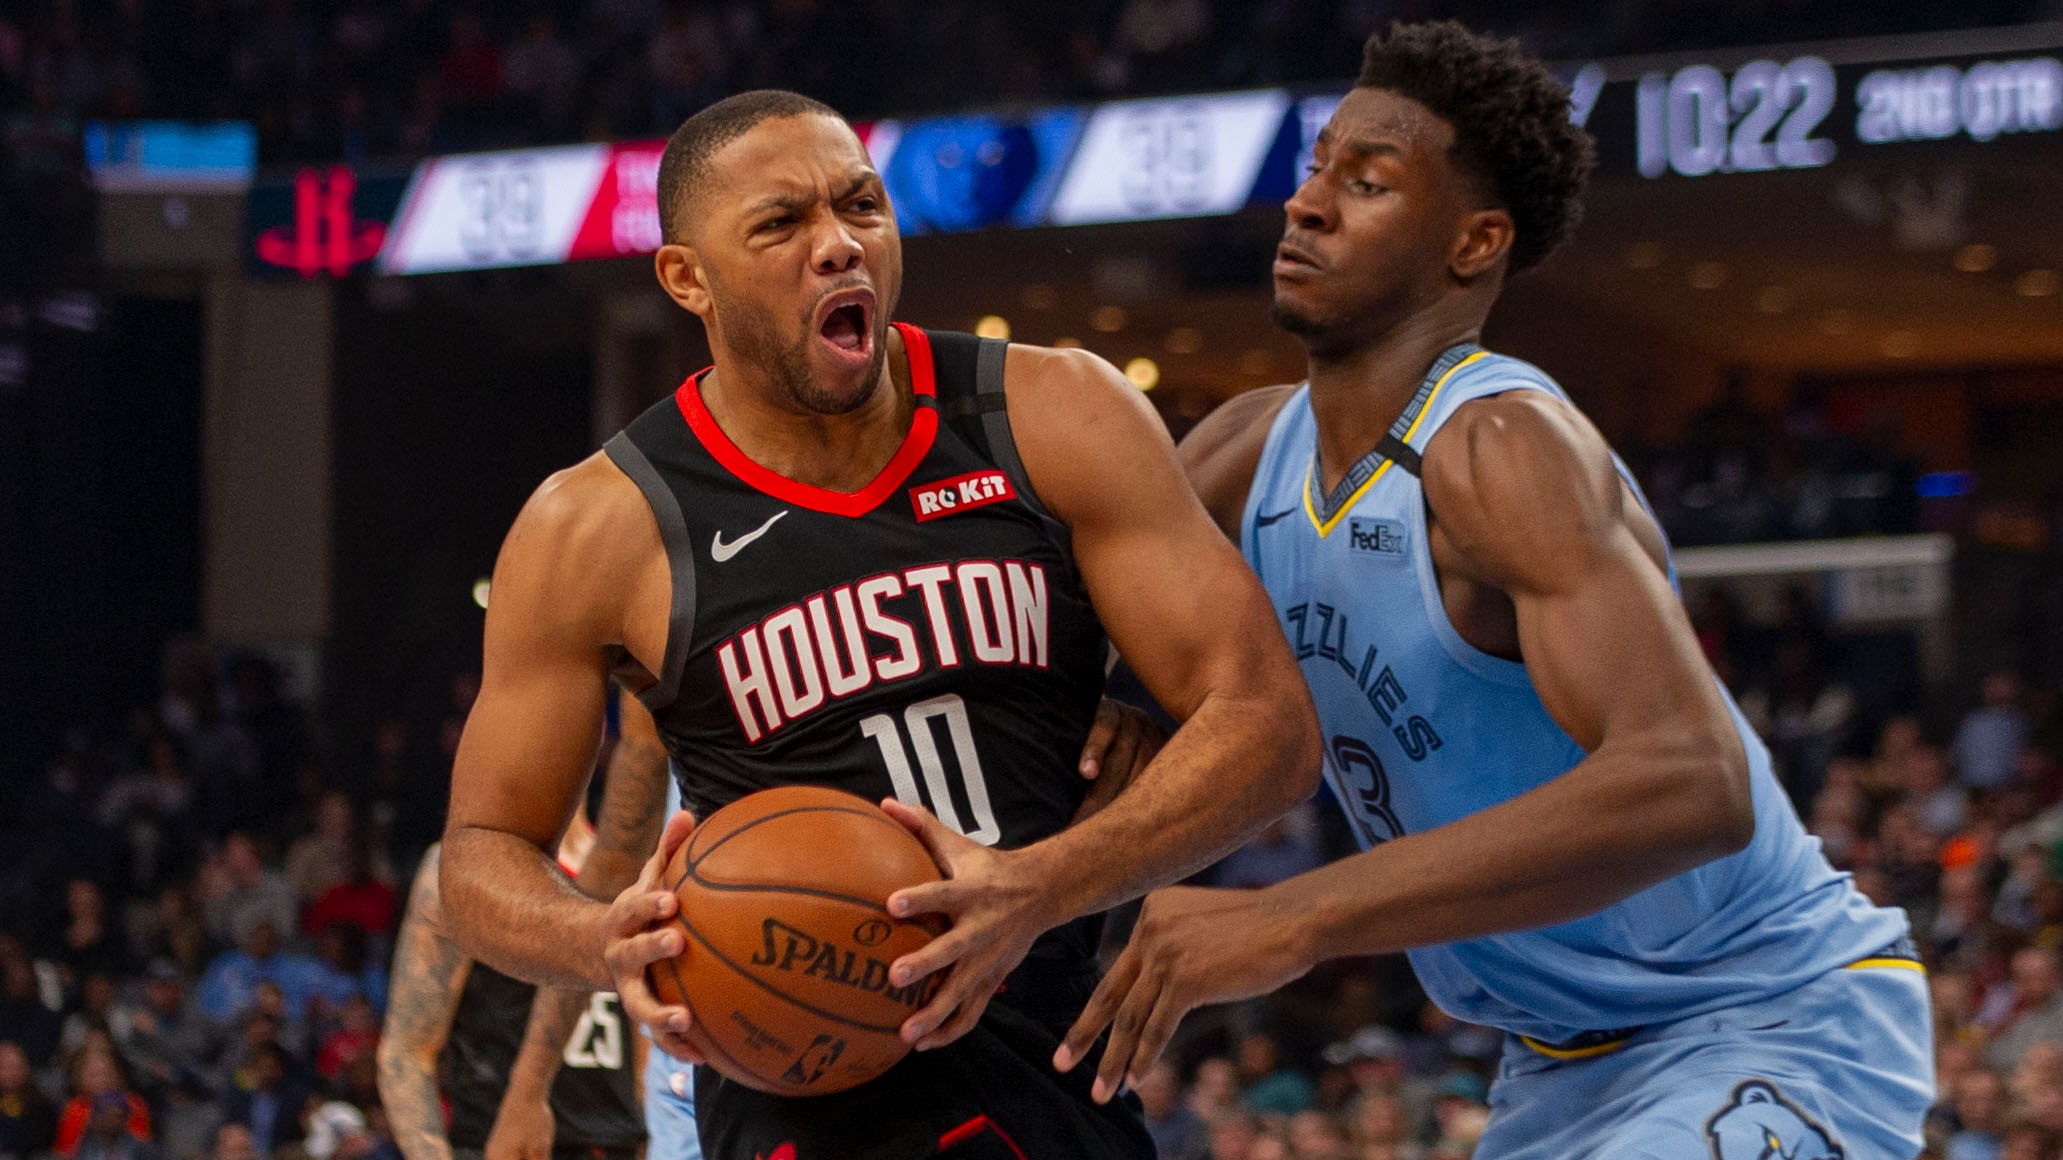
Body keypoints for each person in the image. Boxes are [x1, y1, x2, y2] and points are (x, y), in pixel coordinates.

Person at [1058, 21, 1931, 1156]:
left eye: (1363, 183)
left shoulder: (1497, 448)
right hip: (1555, 1065)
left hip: (1764, 1015)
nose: (1306, 203)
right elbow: (1042, 674)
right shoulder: (1241, 454)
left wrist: (1295, 913)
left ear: (1473, 243)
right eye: (1316, 166)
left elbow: (1690, 778)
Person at [434, 89, 1319, 1159]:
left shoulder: (1049, 414)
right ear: (686, 279)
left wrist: (1041, 884)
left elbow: (1270, 727)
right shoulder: (597, 526)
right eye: (781, 223)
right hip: (791, 1093)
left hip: (1048, 1064)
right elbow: (480, 853)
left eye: (860, 206)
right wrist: (595, 939)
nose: (838, 246)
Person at [378, 765, 648, 1160]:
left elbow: (647, 1049)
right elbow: (406, 1050)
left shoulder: (629, 871)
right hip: (499, 1143)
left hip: (614, 1143)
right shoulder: (459, 869)